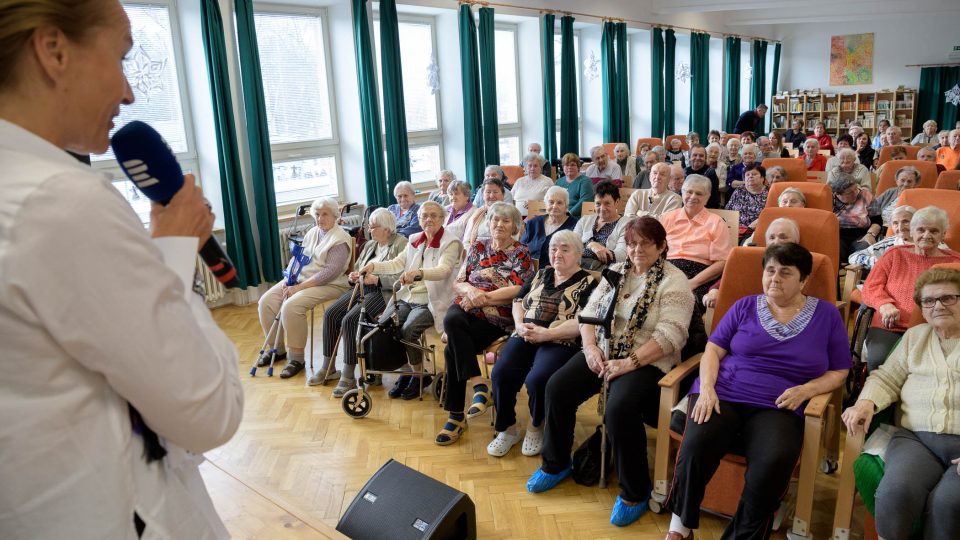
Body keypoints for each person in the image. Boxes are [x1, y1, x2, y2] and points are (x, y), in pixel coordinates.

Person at [0, 1, 243, 536]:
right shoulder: (59, 201)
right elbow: (209, 413)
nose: (128, 92)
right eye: (122, 57)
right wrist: (176, 250)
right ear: (54, 50)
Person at [664, 243, 850, 540]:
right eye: (770, 271)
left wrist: (807, 390)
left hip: (781, 404)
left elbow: (840, 370)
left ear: (803, 281)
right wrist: (708, 389)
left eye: (785, 273)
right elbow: (713, 349)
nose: (774, 278)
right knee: (697, 442)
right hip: (724, 392)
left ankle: (745, 535)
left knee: (775, 459)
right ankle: (680, 526)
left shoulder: (826, 316)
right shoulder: (744, 306)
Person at [527, 217, 695, 529]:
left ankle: (635, 490)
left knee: (619, 407)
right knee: (557, 387)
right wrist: (590, 349)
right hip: (603, 352)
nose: (636, 250)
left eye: (645, 243)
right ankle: (556, 463)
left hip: (647, 360)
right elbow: (588, 315)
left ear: (661, 246)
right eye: (631, 243)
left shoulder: (675, 282)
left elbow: (672, 335)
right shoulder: (616, 272)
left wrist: (629, 362)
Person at [842, 267, 960, 540]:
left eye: (948, 298)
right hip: (916, 440)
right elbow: (886, 378)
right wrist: (866, 403)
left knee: (949, 503)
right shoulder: (915, 337)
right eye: (928, 301)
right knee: (896, 492)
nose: (937, 306)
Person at [488, 231, 596, 457]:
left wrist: (547, 334)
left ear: (578, 255)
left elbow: (586, 320)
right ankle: (507, 429)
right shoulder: (540, 274)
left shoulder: (589, 282)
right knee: (501, 373)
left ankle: (535, 425)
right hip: (525, 333)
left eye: (565, 249)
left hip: (560, 339)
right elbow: (518, 300)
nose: (557, 254)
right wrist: (519, 325)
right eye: (554, 249)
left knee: (538, 379)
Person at [436, 202, 533, 445]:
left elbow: (519, 288)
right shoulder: (478, 247)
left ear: (515, 226)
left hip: (496, 316)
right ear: (488, 223)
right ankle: (479, 386)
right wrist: (470, 292)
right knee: (452, 319)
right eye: (495, 220)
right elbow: (458, 281)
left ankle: (456, 416)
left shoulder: (521, 252)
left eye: (505, 221)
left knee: (452, 348)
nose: (499, 224)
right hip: (467, 307)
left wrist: (482, 299)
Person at [360, 201, 463, 400]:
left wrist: (419, 273)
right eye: (424, 216)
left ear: (442, 219)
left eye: (434, 215)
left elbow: (444, 270)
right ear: (419, 219)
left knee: (408, 330)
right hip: (408, 296)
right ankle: (409, 372)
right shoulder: (415, 239)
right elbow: (398, 263)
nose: (429, 219)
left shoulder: (451, 242)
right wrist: (374, 266)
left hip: (432, 300)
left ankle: (418, 375)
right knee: (385, 325)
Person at [310, 208, 408, 392]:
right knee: (331, 314)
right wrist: (352, 276)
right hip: (361, 287)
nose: (369, 230)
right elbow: (355, 268)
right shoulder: (371, 245)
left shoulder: (401, 244)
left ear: (387, 229)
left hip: (383, 292)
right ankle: (328, 367)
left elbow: (403, 277)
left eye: (373, 227)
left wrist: (377, 279)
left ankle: (348, 375)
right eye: (369, 226)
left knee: (351, 319)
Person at [258, 198, 352, 378]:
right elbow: (297, 257)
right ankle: (276, 349)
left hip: (330, 284)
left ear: (334, 216)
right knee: (266, 301)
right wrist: (288, 277)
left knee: (291, 306)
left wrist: (300, 287)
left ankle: (296, 359)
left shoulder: (340, 238)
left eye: (325, 214)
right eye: (317, 214)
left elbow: (330, 273)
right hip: (300, 279)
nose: (320, 218)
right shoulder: (312, 232)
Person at [862, 206, 960, 333]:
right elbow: (871, 286)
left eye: (934, 231)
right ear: (912, 232)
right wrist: (884, 304)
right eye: (921, 230)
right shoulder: (893, 254)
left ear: (943, 235)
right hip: (891, 325)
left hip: (939, 329)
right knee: (880, 354)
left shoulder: (955, 262)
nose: (926, 235)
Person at [660, 175, 733, 307]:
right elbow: (654, 251)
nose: (693, 197)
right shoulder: (666, 218)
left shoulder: (716, 222)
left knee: (679, 303)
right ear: (682, 192)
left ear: (707, 197)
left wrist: (692, 282)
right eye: (689, 192)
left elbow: (722, 262)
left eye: (699, 193)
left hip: (699, 276)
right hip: (665, 271)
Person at [702, 217, 801, 308]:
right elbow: (726, 281)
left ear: (796, 241)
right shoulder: (752, 259)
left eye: (783, 237)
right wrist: (714, 291)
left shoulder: (803, 264)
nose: (776, 242)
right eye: (772, 238)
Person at [847, 205, 948, 272]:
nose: (900, 227)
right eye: (895, 223)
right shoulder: (889, 243)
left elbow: (949, 263)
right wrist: (878, 262)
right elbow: (854, 257)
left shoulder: (932, 242)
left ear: (916, 223)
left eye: (905, 222)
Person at [574, 180, 628, 270]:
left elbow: (621, 256)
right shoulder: (584, 220)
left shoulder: (626, 224)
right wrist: (591, 244)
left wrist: (584, 250)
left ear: (617, 202)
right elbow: (571, 245)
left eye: (607, 203)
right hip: (576, 268)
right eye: (598, 204)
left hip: (606, 272)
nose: (602, 209)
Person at [520, 186, 578, 264]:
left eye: (559, 203)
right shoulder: (533, 223)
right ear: (545, 204)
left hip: (556, 271)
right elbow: (520, 248)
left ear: (566, 206)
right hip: (528, 269)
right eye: (551, 202)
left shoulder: (575, 226)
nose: (554, 206)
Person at [830, 171, 876, 262]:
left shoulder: (865, 195)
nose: (855, 193)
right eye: (850, 192)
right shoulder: (829, 199)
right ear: (838, 194)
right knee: (834, 250)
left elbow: (877, 220)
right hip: (837, 235)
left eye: (856, 188)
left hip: (862, 235)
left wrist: (870, 234)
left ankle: (860, 276)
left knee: (864, 250)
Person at [725, 163, 768, 243]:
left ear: (762, 178)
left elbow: (771, 215)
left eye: (754, 174)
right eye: (747, 175)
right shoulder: (739, 190)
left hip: (757, 231)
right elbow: (728, 210)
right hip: (735, 230)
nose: (750, 176)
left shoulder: (769, 192)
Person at [511, 153, 554, 218]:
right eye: (529, 166)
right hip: (516, 218)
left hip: (537, 219)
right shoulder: (519, 181)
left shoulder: (548, 181)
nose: (532, 168)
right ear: (525, 168)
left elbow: (553, 204)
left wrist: (535, 205)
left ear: (541, 168)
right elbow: (510, 199)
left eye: (535, 166)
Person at [554, 152, 594, 218]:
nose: (569, 167)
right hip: (559, 215)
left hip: (577, 217)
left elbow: (585, 201)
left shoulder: (585, 181)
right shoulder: (559, 181)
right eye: (566, 165)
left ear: (578, 167)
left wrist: (569, 214)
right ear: (563, 167)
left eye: (573, 165)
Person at [684, 144, 721, 208]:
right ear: (689, 157)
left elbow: (714, 198)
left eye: (701, 156)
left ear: (705, 158)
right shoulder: (685, 172)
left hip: (705, 209)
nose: (698, 158)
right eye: (695, 155)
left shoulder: (711, 173)